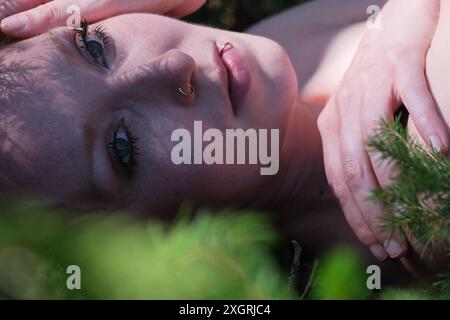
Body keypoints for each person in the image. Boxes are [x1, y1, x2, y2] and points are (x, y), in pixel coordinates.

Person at [0, 0, 447, 271]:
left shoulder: (278, 45)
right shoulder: (421, 164)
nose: (173, 68)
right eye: (123, 148)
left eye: (94, 46)